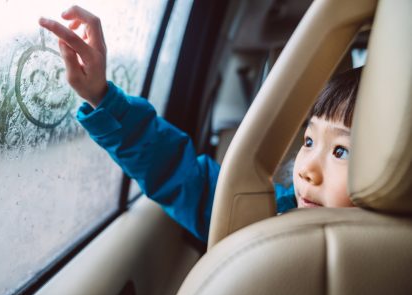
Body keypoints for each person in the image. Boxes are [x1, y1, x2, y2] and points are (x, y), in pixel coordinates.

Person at [39, 6, 359, 243]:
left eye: (341, 151)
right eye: (308, 142)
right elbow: (179, 172)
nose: (306, 171)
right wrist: (102, 98)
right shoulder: (270, 212)